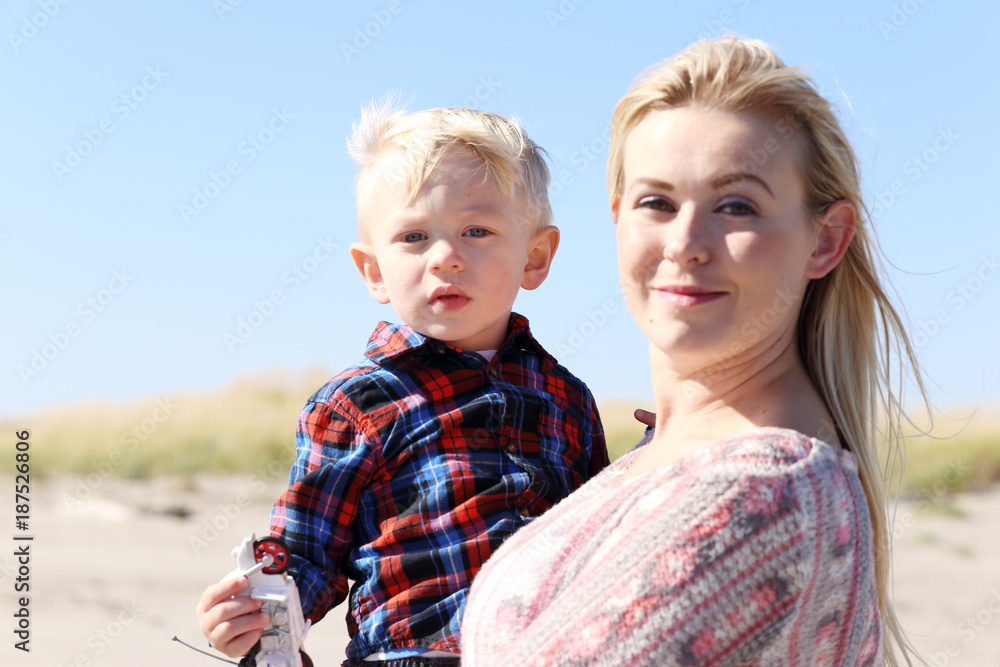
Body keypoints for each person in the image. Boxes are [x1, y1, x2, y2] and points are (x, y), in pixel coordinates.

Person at [461, 36, 925, 666]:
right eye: (657, 202)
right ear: (618, 215)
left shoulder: (767, 492)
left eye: (737, 206)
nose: (685, 243)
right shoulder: (648, 463)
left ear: (825, 240)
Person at [196, 105, 608, 666]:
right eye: (414, 236)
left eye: (476, 231)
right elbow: (307, 552)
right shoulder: (357, 402)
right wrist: (257, 616)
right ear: (373, 271)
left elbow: (601, 533)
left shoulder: (567, 399)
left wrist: (663, 458)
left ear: (535, 257)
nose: (446, 258)